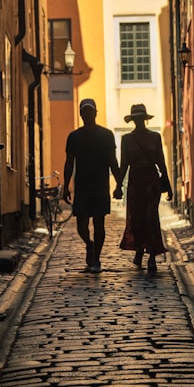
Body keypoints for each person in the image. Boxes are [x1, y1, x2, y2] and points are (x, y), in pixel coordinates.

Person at [63, 97, 122, 273]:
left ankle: (96, 260)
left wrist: (119, 184)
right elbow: (69, 162)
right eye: (85, 111)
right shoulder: (74, 137)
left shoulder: (106, 135)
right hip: (81, 186)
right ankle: (90, 245)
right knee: (81, 225)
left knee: (99, 223)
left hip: (100, 186)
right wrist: (66, 186)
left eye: (90, 111)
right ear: (81, 114)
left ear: (95, 113)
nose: (88, 114)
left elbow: (113, 161)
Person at [113, 104, 173, 272]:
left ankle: (151, 255)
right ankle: (140, 250)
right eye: (137, 119)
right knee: (137, 216)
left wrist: (167, 183)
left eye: (140, 118)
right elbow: (123, 164)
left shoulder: (154, 137)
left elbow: (161, 161)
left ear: (143, 119)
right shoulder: (127, 139)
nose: (139, 121)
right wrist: (119, 185)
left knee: (150, 216)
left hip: (149, 181)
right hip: (136, 181)